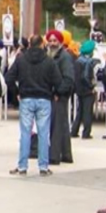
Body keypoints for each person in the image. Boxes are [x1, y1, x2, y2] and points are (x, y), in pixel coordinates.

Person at [5, 35, 62, 176]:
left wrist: (17, 92)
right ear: (42, 44)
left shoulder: (21, 59)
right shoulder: (49, 61)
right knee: (43, 133)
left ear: (29, 44)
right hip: (44, 98)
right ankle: (43, 166)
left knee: (25, 133)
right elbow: (58, 81)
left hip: (26, 98)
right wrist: (53, 92)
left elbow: (8, 78)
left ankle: (22, 166)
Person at [45, 29, 74, 165]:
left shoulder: (64, 57)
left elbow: (68, 78)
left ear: (60, 42)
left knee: (57, 126)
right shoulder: (50, 55)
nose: (52, 43)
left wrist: (59, 92)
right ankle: (66, 154)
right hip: (52, 94)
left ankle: (54, 156)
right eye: (50, 41)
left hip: (59, 95)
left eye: (54, 40)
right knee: (61, 125)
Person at [72, 40, 99, 139]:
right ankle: (86, 132)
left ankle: (74, 130)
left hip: (79, 89)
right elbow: (86, 77)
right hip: (87, 90)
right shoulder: (88, 62)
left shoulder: (78, 61)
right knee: (87, 112)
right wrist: (91, 87)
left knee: (80, 111)